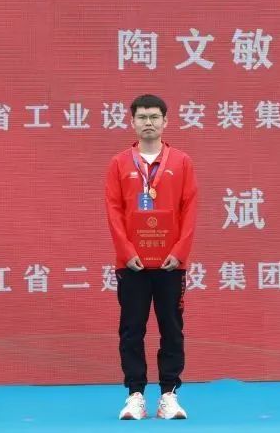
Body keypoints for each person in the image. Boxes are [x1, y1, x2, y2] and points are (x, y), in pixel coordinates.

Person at [105, 94, 198, 420]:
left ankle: (169, 395)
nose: (148, 122)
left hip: (171, 264)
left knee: (172, 328)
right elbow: (114, 211)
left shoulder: (182, 162)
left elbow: (189, 210)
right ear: (132, 122)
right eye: (142, 117)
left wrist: (179, 252)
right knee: (132, 329)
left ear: (165, 121)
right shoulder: (119, 163)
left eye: (154, 117)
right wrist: (126, 251)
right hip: (132, 264)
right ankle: (135, 395)